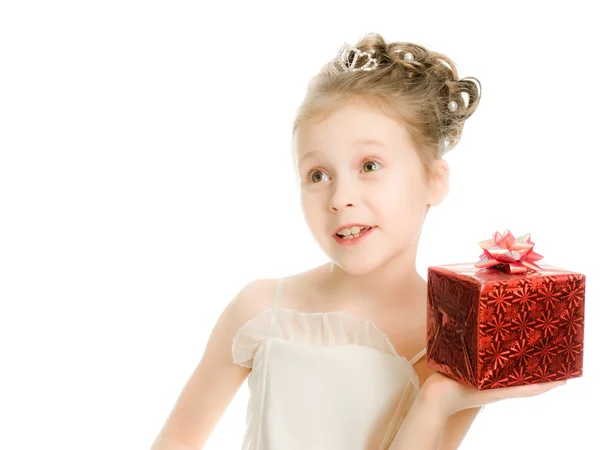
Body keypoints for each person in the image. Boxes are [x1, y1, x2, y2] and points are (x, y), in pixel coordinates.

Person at [150, 33, 567, 450]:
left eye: (369, 165)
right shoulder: (260, 308)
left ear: (433, 181)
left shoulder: (452, 341)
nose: (340, 198)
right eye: (317, 174)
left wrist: (435, 402)